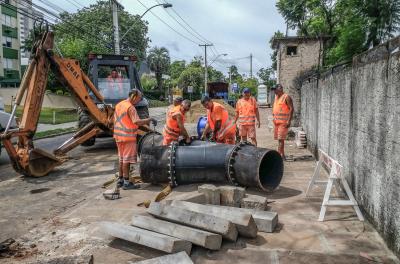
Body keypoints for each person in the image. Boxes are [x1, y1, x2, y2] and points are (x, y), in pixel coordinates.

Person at [114, 89, 156, 190]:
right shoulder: (130, 107)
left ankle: (120, 180)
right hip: (127, 137)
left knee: (121, 158)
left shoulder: (119, 104)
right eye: (139, 98)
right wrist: (150, 119)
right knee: (127, 161)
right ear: (134, 96)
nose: (139, 100)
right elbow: (137, 121)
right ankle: (127, 183)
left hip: (118, 136)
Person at [271, 84, 294, 159]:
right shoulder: (277, 97)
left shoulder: (286, 97)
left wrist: (289, 121)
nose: (274, 91)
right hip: (276, 122)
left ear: (280, 89)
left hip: (283, 122)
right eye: (274, 90)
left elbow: (291, 109)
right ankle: (282, 155)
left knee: (281, 139)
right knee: (279, 140)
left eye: (275, 89)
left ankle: (277, 156)